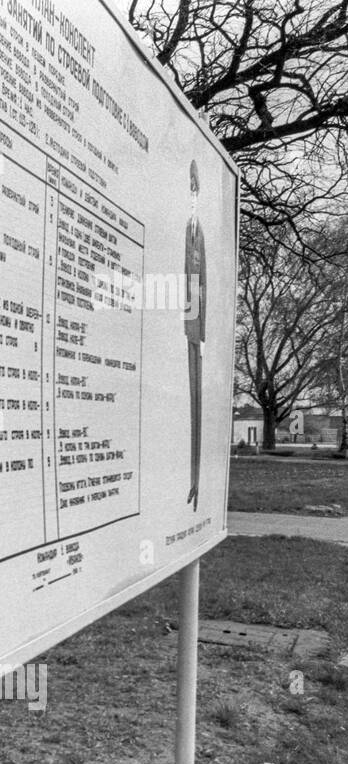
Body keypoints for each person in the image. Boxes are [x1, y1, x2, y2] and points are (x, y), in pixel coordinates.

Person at [184, 160, 206, 513]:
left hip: (196, 329)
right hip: (192, 327)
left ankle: (196, 481)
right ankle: (193, 482)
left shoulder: (197, 231)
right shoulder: (190, 231)